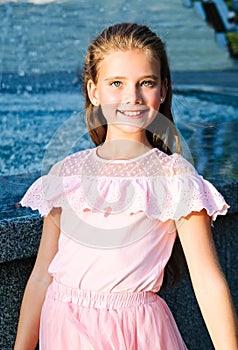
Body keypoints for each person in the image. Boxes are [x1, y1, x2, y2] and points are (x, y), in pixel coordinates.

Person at [14, 23, 237, 350]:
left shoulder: (174, 177)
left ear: (162, 90)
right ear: (94, 91)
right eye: (116, 83)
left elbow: (207, 280)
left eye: (145, 83)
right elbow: (42, 275)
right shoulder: (66, 173)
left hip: (134, 333)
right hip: (63, 328)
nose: (131, 97)